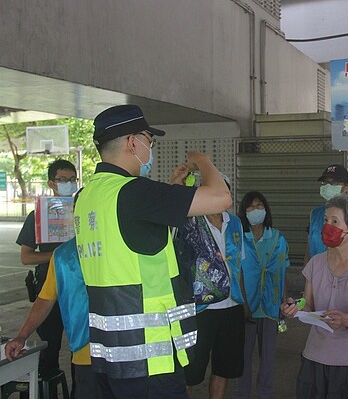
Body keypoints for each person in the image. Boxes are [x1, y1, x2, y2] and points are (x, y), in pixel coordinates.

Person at [74, 104, 232, 399]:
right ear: (133, 142)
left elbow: (133, 242)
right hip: (150, 360)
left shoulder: (86, 197)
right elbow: (221, 198)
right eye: (150, 139)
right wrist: (203, 160)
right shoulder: (134, 192)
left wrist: (173, 190)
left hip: (112, 356)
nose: (150, 148)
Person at [282, 195, 348, 399]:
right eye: (326, 220)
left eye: (335, 222)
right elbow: (308, 304)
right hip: (315, 359)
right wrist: (295, 307)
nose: (327, 226)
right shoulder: (316, 263)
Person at [5, 238, 101, 398]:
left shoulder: (64, 254)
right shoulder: (63, 255)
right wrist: (22, 335)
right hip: (95, 353)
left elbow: (45, 299)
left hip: (109, 354)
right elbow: (45, 299)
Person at [183, 174, 246, 399]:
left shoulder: (235, 223)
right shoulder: (189, 222)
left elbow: (239, 266)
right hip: (200, 308)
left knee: (224, 367)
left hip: (232, 306)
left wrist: (243, 304)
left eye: (223, 192)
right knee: (190, 370)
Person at [15, 158, 77, 378]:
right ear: (52, 183)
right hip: (48, 286)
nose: (68, 184)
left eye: (72, 179)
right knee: (48, 348)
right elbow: (26, 257)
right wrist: (60, 256)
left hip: (80, 287)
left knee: (82, 349)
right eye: (63, 179)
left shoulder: (83, 212)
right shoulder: (38, 216)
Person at [233, 191, 290, 399]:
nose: (255, 210)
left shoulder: (277, 238)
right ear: (243, 211)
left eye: (259, 206)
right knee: (243, 355)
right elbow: (236, 272)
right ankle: (242, 392)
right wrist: (242, 304)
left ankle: (265, 392)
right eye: (250, 206)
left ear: (266, 210)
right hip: (246, 304)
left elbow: (283, 270)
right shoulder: (239, 238)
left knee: (268, 356)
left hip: (271, 304)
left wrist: (284, 302)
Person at [305, 164, 348, 263]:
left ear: (346, 187)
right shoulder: (315, 215)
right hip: (319, 274)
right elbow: (309, 251)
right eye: (325, 182)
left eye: (334, 183)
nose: (328, 186)